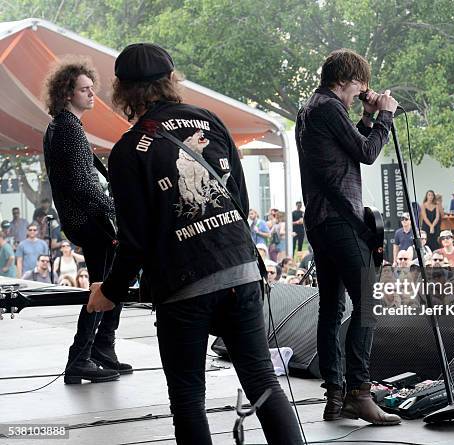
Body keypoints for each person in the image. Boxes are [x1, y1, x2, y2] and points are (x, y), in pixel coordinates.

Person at [86, 43, 303, 444]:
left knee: (187, 399)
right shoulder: (209, 121)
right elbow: (240, 200)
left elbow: (133, 242)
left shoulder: (129, 152)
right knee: (262, 381)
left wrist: (110, 292)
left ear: (122, 91)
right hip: (240, 269)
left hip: (184, 286)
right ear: (171, 80)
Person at [295, 48, 401, 425]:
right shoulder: (327, 108)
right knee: (367, 305)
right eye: (360, 84)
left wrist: (368, 116)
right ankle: (359, 392)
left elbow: (347, 146)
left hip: (321, 222)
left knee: (332, 308)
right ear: (343, 81)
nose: (363, 90)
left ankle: (335, 397)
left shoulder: (311, 109)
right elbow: (368, 153)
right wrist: (385, 116)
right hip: (340, 222)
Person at [42, 56, 130, 384]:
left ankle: (101, 350)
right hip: (91, 223)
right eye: (85, 89)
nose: (92, 94)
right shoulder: (68, 130)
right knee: (103, 288)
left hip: (83, 221)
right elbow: (82, 184)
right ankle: (81, 357)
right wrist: (115, 210)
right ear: (68, 93)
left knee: (109, 283)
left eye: (92, 88)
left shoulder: (65, 127)